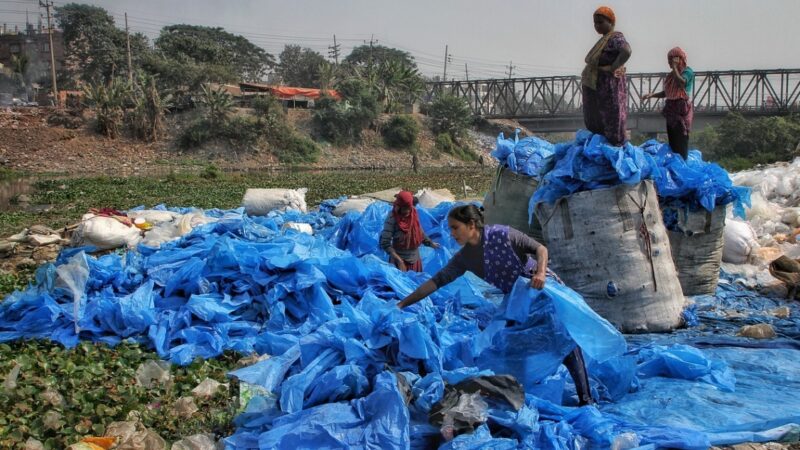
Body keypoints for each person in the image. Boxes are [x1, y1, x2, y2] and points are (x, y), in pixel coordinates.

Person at [397, 204, 594, 406]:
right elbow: (436, 282)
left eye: (455, 227)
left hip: (541, 291)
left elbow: (540, 249)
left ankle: (586, 399)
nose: (451, 233)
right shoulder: (465, 258)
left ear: (471, 224)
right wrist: (402, 304)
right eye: (450, 228)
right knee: (512, 346)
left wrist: (541, 272)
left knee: (564, 341)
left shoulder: (502, 235)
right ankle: (516, 395)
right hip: (517, 301)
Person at [581, 6, 632, 146]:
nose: (597, 26)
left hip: (608, 87)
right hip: (599, 86)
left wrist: (613, 67)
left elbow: (626, 51)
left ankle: (613, 146)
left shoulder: (615, 38)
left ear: (611, 22)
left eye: (600, 22)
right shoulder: (604, 40)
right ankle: (601, 145)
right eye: (595, 23)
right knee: (597, 120)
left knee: (611, 118)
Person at [641, 47, 695, 159]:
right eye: (669, 60)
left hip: (681, 110)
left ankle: (682, 163)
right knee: (673, 140)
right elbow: (667, 92)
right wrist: (652, 95)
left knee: (681, 139)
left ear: (680, 59)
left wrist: (675, 67)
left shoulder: (687, 72)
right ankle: (675, 163)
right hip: (671, 110)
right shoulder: (671, 75)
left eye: (673, 59)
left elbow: (682, 83)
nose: (670, 62)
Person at [381, 191, 439, 272]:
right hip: (398, 261)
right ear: (398, 206)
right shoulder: (392, 218)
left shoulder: (413, 213)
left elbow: (419, 231)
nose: (407, 211)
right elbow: (384, 243)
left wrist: (430, 243)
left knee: (415, 284)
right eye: (405, 208)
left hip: (414, 260)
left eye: (409, 208)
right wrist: (399, 260)